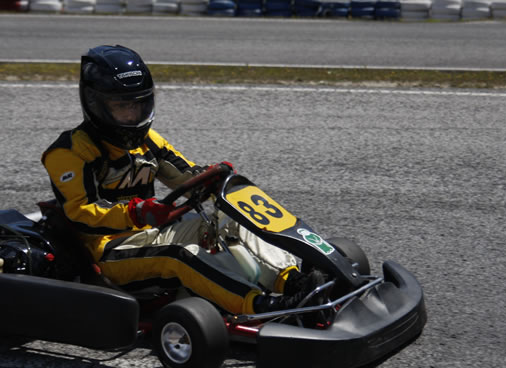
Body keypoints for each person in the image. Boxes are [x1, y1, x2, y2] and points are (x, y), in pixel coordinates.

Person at [41, 44, 322, 316]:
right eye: (122, 106)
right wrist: (137, 212)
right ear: (96, 104)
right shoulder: (70, 152)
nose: (133, 115)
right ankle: (261, 307)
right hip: (107, 251)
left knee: (233, 219)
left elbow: (186, 175)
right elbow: (80, 212)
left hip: (151, 231)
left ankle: (293, 283)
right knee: (179, 255)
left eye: (140, 105)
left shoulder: (148, 141)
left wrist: (211, 180)